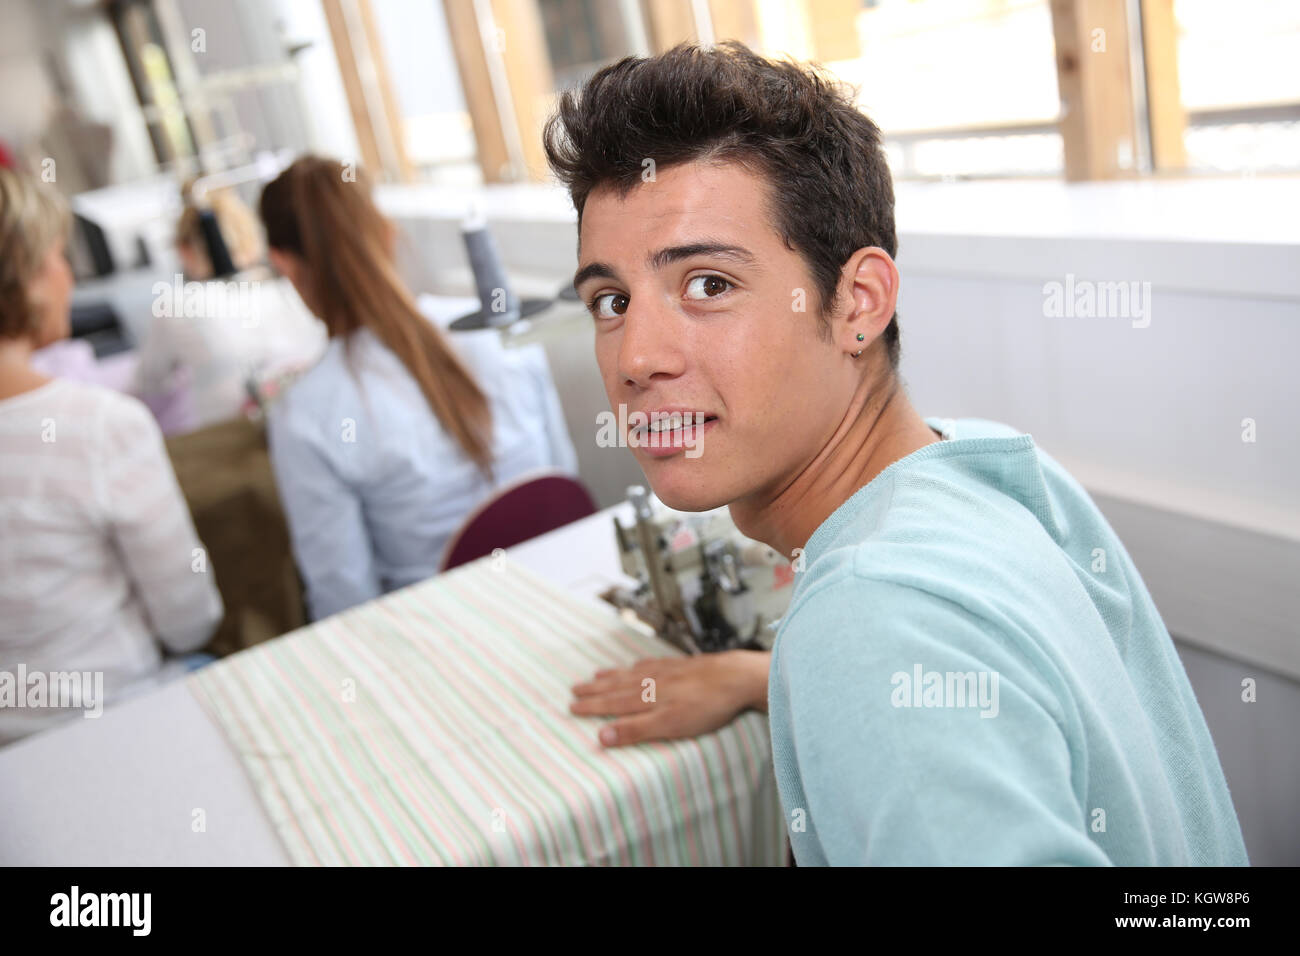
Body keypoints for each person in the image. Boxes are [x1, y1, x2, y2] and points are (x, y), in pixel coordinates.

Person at [549, 42, 1248, 865]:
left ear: (859, 303)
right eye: (611, 299)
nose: (636, 357)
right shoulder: (993, 468)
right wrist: (762, 678)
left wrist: (845, 667)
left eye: (708, 284)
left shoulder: (870, 624)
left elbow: (889, 649)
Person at [258, 156, 579, 621]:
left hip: (448, 639)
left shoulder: (303, 416)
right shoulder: (500, 328)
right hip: (569, 589)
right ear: (387, 233)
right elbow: (563, 479)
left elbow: (345, 601)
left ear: (284, 265)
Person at [0, 168, 223, 746]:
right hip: (118, 719)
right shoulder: (102, 427)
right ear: (27, 280)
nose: (69, 275)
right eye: (57, 256)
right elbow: (188, 618)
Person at [131, 182, 327, 435]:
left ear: (184, 249)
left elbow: (149, 381)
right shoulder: (291, 288)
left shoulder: (175, 304)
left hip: (233, 441)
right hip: (314, 425)